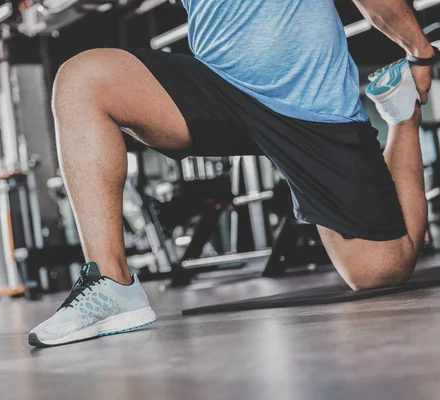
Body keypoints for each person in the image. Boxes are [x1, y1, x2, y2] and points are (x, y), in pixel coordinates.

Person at [28, 0, 435, 347]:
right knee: (83, 79)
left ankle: (401, 113)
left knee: (381, 273)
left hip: (312, 104)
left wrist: (418, 50)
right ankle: (112, 284)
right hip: (220, 86)